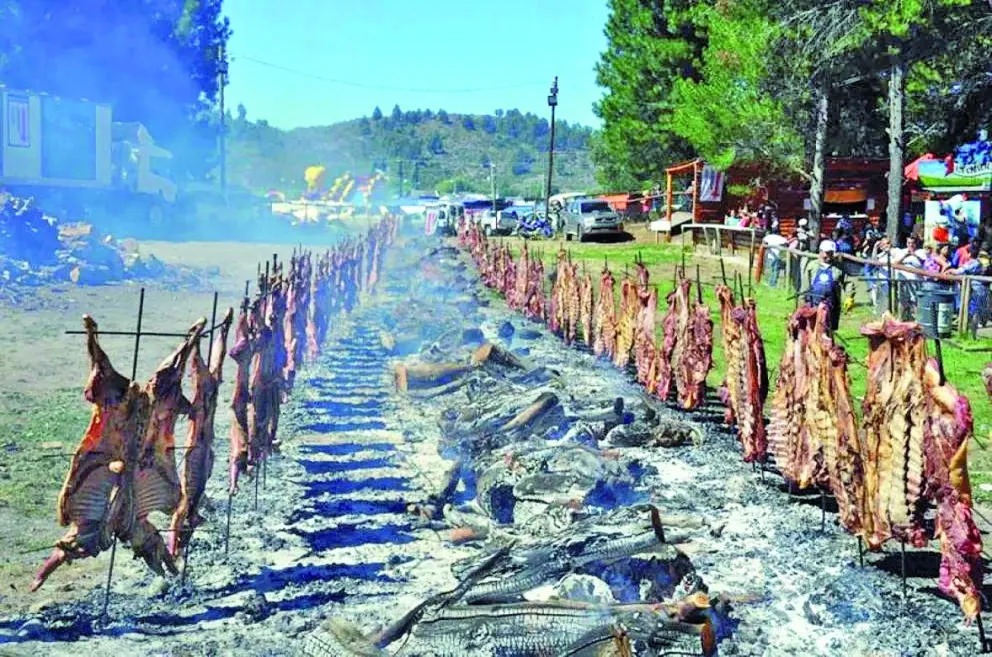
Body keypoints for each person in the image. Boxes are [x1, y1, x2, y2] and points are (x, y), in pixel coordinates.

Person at [807, 239, 846, 331]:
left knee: (829, 329)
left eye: (831, 253)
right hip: (814, 303)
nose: (829, 256)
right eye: (827, 253)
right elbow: (805, 285)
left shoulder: (838, 268)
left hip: (831, 305)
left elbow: (847, 282)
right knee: (813, 328)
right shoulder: (812, 266)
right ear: (820, 252)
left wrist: (849, 296)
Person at [762, 222, 789, 287]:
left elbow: (763, 241)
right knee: (775, 270)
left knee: (770, 269)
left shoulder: (769, 237)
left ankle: (769, 282)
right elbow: (786, 243)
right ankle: (773, 284)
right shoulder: (780, 238)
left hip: (770, 256)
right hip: (777, 256)